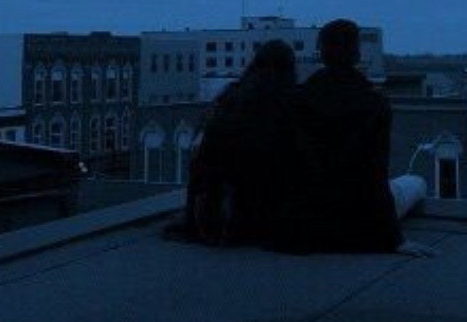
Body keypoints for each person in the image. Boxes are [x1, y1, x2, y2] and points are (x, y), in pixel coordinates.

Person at [272, 19, 404, 254]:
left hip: (305, 225)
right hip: (355, 225)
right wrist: (394, 239)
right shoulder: (375, 104)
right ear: (356, 54)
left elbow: (289, 165)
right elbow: (376, 174)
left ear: (322, 53)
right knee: (414, 184)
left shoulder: (298, 100)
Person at [167, 39, 297, 246]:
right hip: (270, 218)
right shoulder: (293, 106)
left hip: (224, 217)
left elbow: (201, 164)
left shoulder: (229, 100)